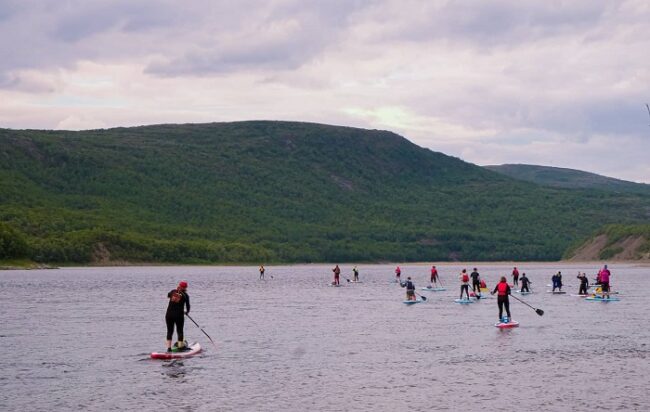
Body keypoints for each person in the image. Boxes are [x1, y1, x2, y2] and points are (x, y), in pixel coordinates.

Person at [166, 281, 190, 352]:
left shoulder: (173, 291)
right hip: (178, 315)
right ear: (185, 288)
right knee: (179, 331)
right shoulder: (185, 295)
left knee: (169, 331)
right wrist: (187, 312)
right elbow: (188, 306)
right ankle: (180, 347)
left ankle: (169, 348)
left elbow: (168, 295)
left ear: (179, 286)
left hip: (169, 315)